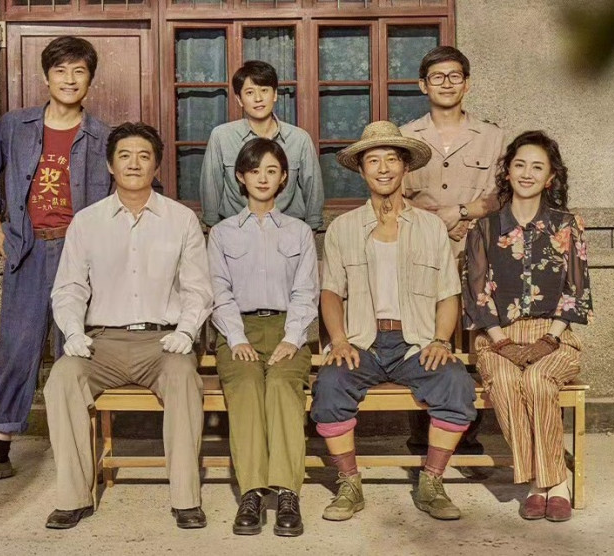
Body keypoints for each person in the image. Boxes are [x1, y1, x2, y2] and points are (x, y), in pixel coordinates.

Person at [43, 122, 213, 530]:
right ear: (110, 165)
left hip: (163, 342)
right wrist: (73, 332)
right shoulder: (87, 222)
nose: (134, 164)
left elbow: (198, 289)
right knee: (62, 380)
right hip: (102, 342)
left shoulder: (181, 220)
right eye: (125, 156)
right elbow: (68, 288)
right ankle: (73, 497)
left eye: (143, 156)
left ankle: (186, 499)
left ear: (156, 166)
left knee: (183, 378)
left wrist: (186, 331)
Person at [0, 36, 111, 486]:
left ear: (90, 79)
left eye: (79, 71)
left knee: (73, 351)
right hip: (27, 251)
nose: (69, 79)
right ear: (46, 77)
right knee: (17, 348)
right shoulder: (15, 125)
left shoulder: (103, 137)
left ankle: (76, 455)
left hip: (78, 255)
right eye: (60, 71)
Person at [309, 121, 477, 523]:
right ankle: (349, 483)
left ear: (405, 167)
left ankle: (432, 481)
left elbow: (448, 293)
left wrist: (440, 340)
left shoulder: (430, 227)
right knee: (329, 386)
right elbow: (330, 292)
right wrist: (339, 340)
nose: (383, 168)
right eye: (373, 160)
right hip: (363, 343)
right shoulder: (344, 228)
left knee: (456, 384)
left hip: (415, 342)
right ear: (361, 169)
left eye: (391, 159)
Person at [462, 130, 593, 522]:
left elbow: (576, 291)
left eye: (537, 167)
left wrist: (549, 339)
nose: (526, 173)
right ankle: (545, 480)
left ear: (550, 177)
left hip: (554, 336)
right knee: (504, 381)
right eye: (519, 164)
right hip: (497, 337)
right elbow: (476, 293)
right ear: (508, 171)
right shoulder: (483, 228)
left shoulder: (568, 225)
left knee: (537, 380)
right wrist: (502, 342)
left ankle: (548, 484)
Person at [208, 138, 319, 537]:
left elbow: (306, 291)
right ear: (241, 176)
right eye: (254, 171)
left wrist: (293, 337)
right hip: (238, 329)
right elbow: (219, 291)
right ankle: (252, 492)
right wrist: (237, 339)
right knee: (247, 386)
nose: (263, 178)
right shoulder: (222, 233)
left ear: (284, 177)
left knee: (283, 387)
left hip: (289, 328)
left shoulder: (299, 231)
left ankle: (287, 492)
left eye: (272, 171)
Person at [401, 46, 506, 459]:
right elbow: (394, 192)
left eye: (455, 76)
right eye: (437, 77)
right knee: (424, 336)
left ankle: (466, 434)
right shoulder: (406, 137)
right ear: (423, 85)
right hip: (420, 252)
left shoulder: (492, 137)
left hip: (477, 254)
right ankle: (421, 433)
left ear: (467, 83)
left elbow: (502, 193)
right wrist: (436, 221)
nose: (446, 83)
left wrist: (460, 212)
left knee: (473, 337)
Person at [199, 60, 324, 230]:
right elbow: (211, 187)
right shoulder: (221, 136)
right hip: (236, 231)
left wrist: (311, 230)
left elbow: (313, 189)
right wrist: (214, 229)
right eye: (250, 92)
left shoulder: (299, 138)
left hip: (287, 231)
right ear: (239, 99)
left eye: (264, 90)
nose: (258, 99)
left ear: (275, 94)